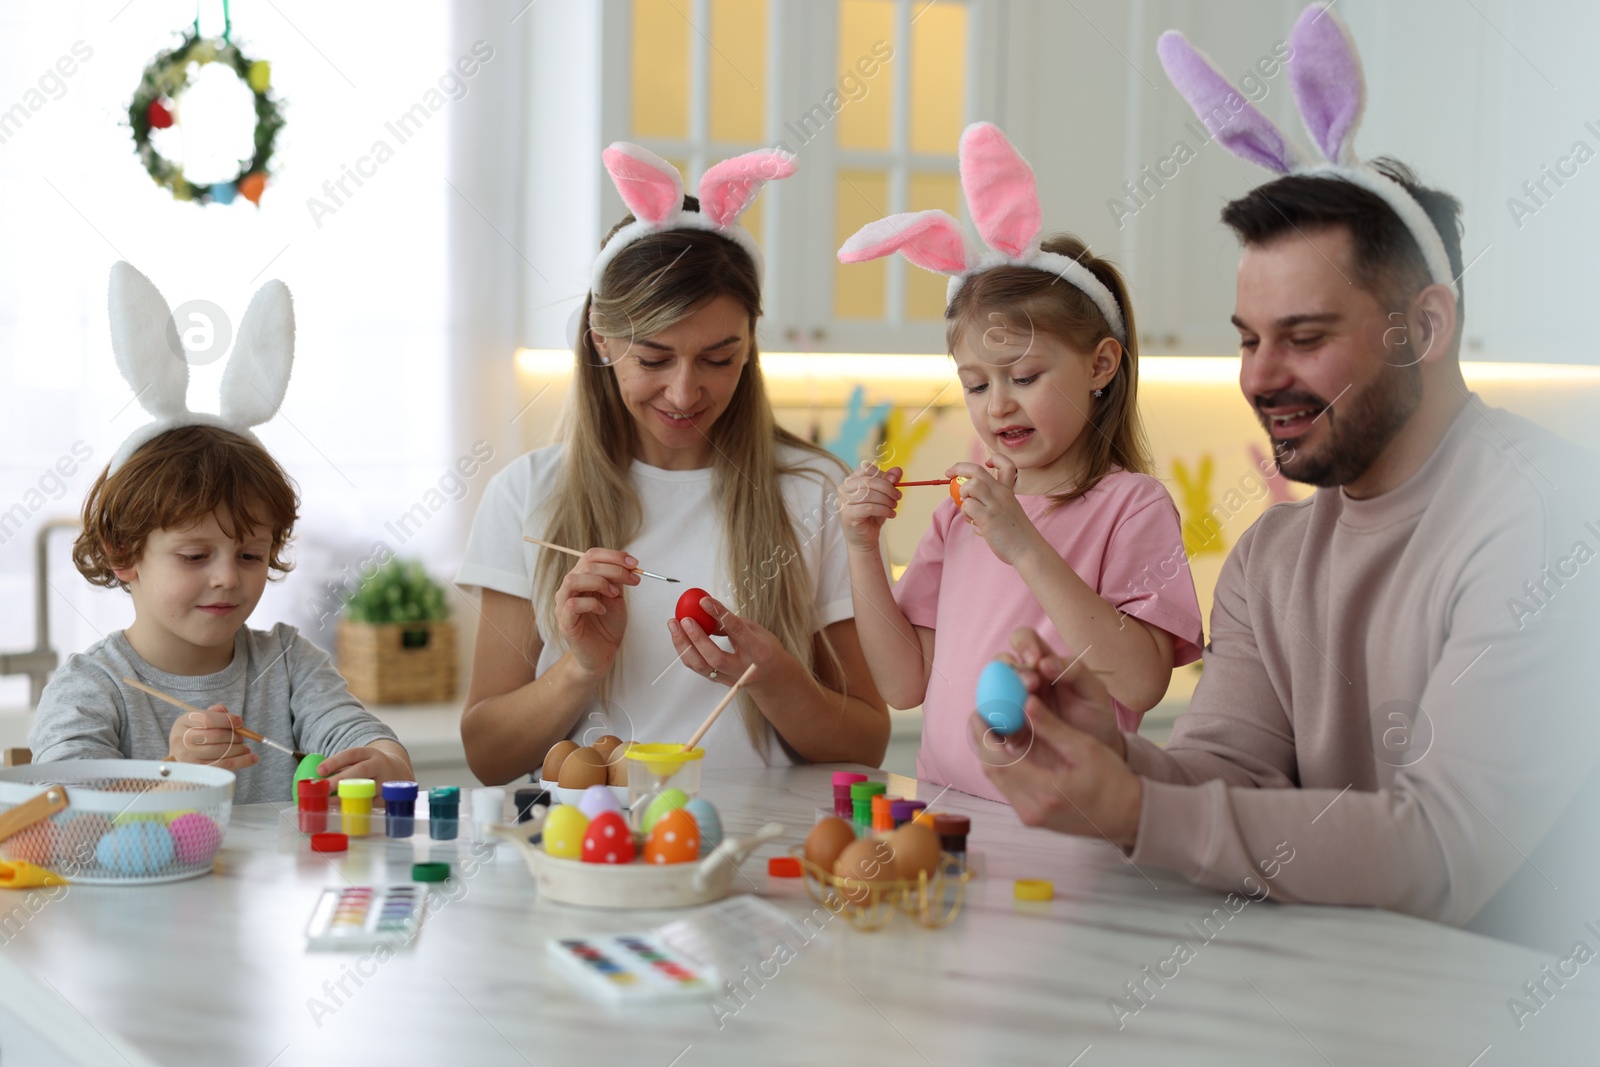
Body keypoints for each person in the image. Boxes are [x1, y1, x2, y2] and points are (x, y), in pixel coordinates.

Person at [978, 7, 1600, 950]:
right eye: (1248, 340)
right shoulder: (1273, 556)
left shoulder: (1545, 515)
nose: (1260, 377)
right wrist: (1115, 758)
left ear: (1423, 329)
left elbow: (1443, 851)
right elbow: (1232, 771)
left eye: (1304, 338)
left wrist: (1137, 810)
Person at [456, 144, 888, 784]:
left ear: (749, 344)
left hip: (758, 857)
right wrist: (579, 667)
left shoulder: (813, 490)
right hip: (591, 856)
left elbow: (867, 743)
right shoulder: (527, 495)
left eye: (718, 358)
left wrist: (775, 680)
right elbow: (488, 758)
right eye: (654, 359)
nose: (685, 394)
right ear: (602, 340)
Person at [835, 123, 1202, 802]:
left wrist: (1023, 543)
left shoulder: (1133, 506)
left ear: (1100, 365)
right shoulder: (961, 512)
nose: (997, 405)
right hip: (947, 819)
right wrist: (862, 546)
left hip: (1071, 830)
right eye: (975, 384)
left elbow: (1142, 682)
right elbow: (902, 683)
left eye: (1024, 375)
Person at [30, 425, 415, 802]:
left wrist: (389, 766)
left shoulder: (290, 663)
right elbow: (66, 823)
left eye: (250, 556)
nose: (228, 577)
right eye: (194, 556)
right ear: (123, 555)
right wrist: (177, 780)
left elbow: (366, 741)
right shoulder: (89, 690)